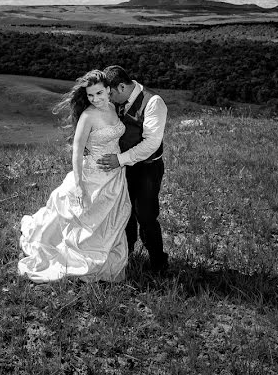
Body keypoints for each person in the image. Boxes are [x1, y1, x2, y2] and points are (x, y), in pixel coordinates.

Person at [18, 69, 132, 283]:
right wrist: (79, 184)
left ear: (108, 90)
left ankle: (104, 255)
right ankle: (79, 257)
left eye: (99, 93)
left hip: (114, 176)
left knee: (109, 222)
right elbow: (77, 152)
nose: (95, 99)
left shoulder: (113, 107)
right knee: (84, 220)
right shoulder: (88, 116)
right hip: (93, 175)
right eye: (90, 95)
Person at [97, 65, 169, 272]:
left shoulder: (153, 102)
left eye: (110, 94)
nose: (108, 99)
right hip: (122, 169)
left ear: (121, 87)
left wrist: (120, 159)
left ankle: (158, 261)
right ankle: (125, 257)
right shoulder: (116, 103)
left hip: (147, 168)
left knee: (146, 215)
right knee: (124, 213)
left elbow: (151, 143)